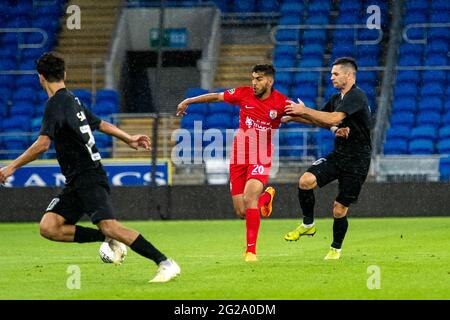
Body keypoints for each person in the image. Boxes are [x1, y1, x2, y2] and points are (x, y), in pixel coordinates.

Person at [0, 52, 180, 282]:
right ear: (64, 74)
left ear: (40, 78)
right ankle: (107, 239)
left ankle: (165, 262)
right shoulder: (72, 101)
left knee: (112, 226)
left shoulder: (56, 104)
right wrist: (128, 138)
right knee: (49, 227)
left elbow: (43, 144)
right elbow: (100, 123)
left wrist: (11, 167)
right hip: (76, 181)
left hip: (89, 177)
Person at [176, 64, 287, 262]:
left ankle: (250, 251)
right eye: (253, 78)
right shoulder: (243, 94)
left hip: (261, 154)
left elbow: (303, 116)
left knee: (249, 195)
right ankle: (265, 200)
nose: (254, 82)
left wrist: (331, 127)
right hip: (239, 156)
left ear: (270, 81)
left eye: (259, 79)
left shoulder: (280, 102)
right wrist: (189, 100)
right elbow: (216, 96)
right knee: (241, 211)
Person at [283, 57, 372, 260]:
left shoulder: (356, 96)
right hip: (338, 155)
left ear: (349, 75)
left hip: (358, 160)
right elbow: (322, 120)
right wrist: (292, 117)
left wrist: (304, 110)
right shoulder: (336, 98)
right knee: (306, 181)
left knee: (339, 209)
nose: (331, 77)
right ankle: (308, 224)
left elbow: (334, 118)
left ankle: (335, 248)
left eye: (335, 73)